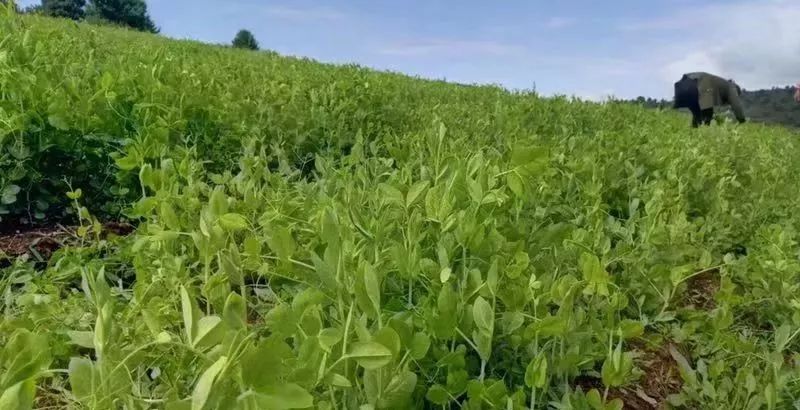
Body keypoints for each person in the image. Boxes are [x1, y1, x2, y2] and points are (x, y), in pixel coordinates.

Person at [673, 72, 746, 127]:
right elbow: (736, 105)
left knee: (698, 115)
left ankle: (693, 132)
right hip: (696, 84)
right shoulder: (731, 87)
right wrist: (742, 121)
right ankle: (703, 132)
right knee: (707, 113)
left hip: (683, 84)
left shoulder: (720, 84)